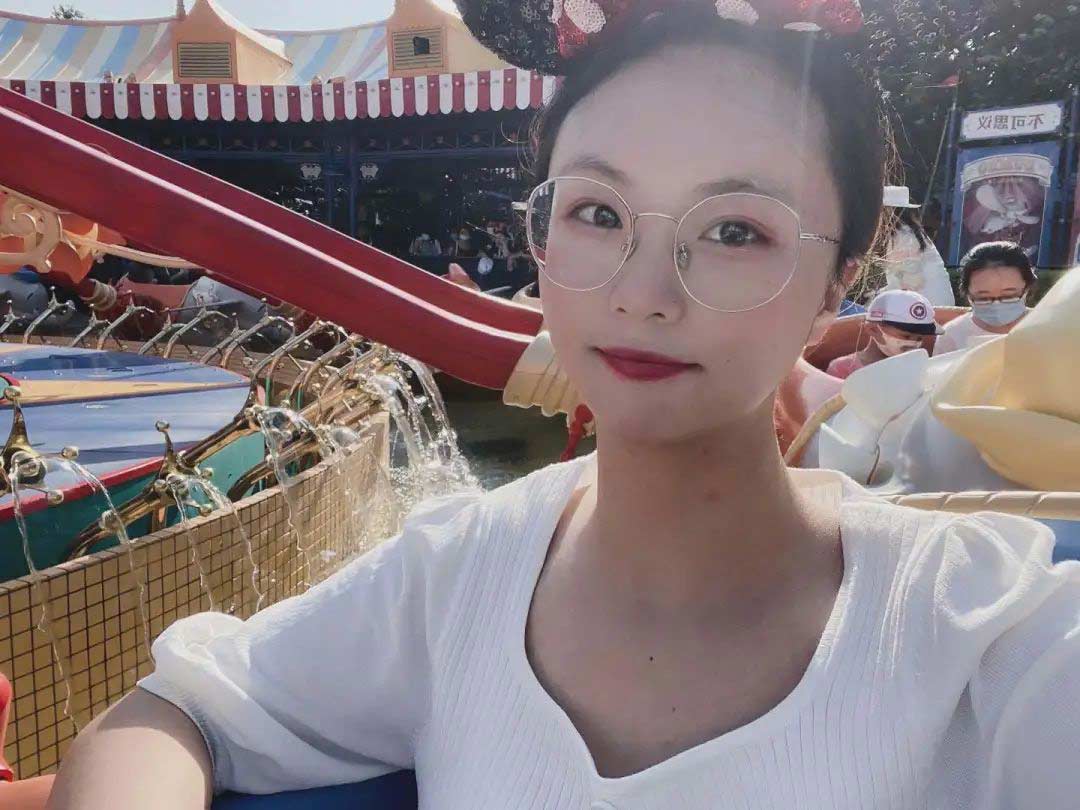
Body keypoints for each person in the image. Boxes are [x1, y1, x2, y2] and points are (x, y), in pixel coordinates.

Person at [50, 4, 1080, 809]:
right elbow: (173, 712)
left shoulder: (984, 633)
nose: (643, 292)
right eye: (595, 211)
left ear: (838, 283)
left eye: (735, 231)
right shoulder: (458, 575)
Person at [934, 240, 1036, 355]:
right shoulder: (953, 335)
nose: (996, 305)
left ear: (1027, 288)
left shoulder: (1045, 327)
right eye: (983, 298)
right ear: (968, 294)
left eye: (1008, 296)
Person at [826, 289, 938, 380]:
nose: (913, 344)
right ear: (873, 329)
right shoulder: (844, 369)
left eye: (919, 338)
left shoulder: (918, 367)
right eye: (906, 336)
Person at [880, 185, 955, 306]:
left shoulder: (903, 238)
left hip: (927, 306)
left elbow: (909, 281)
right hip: (934, 303)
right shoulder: (910, 233)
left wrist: (878, 296)